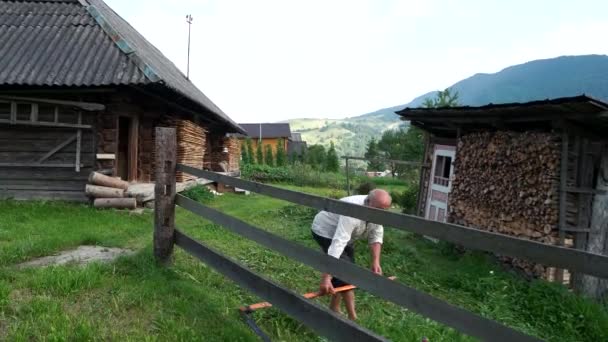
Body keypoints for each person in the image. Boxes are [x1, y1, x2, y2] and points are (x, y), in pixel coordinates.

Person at [310, 189, 392, 320]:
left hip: (346, 236)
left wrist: (376, 261)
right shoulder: (352, 211)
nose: (381, 213)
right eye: (378, 209)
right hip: (325, 230)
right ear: (368, 202)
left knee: (345, 270)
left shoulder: (377, 209)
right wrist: (326, 277)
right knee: (346, 273)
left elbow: (376, 235)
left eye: (384, 210)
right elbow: (338, 243)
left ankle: (334, 308)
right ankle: (353, 319)